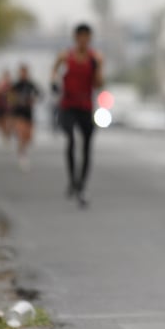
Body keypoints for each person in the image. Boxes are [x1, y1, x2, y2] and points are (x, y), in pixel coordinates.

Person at [51, 23, 104, 207]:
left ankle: (81, 184)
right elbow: (54, 71)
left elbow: (99, 84)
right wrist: (54, 82)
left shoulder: (95, 58)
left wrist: (97, 67)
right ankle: (72, 180)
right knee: (71, 139)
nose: (83, 40)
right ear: (75, 38)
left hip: (86, 106)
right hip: (68, 105)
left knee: (87, 146)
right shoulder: (65, 56)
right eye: (80, 36)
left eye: (86, 37)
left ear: (90, 39)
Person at [9, 63, 41, 170]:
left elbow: (39, 95)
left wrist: (33, 100)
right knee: (21, 133)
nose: (23, 74)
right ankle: (22, 155)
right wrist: (16, 101)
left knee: (28, 136)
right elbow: (9, 98)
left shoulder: (31, 85)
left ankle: (23, 149)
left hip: (28, 114)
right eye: (21, 72)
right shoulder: (16, 85)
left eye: (25, 72)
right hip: (19, 113)